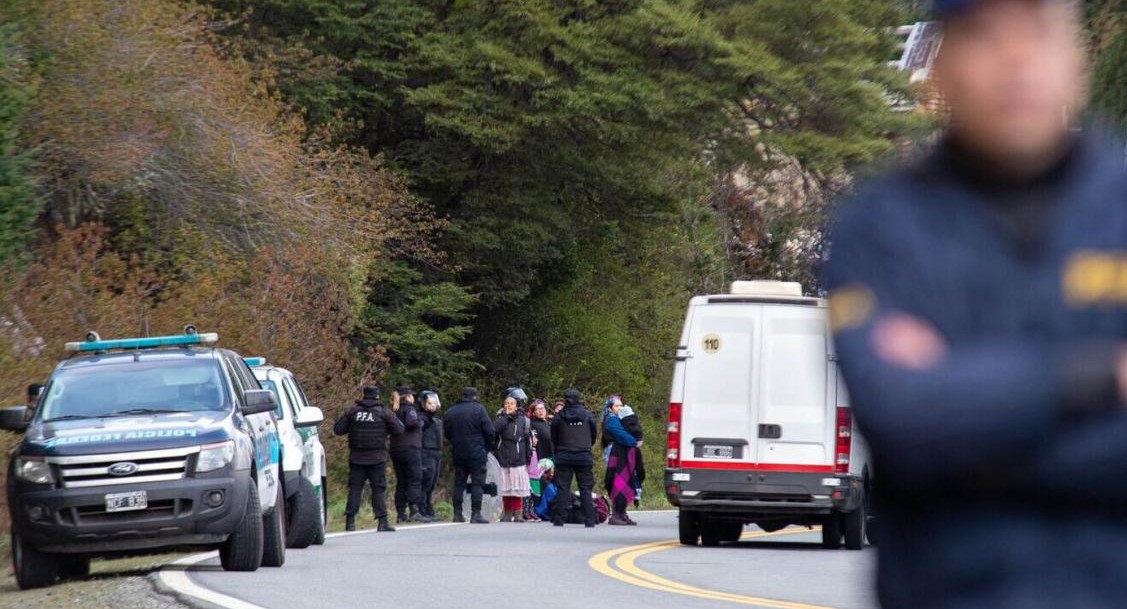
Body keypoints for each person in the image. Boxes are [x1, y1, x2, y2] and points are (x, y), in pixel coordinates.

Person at [822, 1, 1127, 607]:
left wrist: (967, 424)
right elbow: (903, 419)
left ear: (1078, 56)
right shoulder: (877, 231)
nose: (1016, 59)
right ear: (939, 66)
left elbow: (933, 425)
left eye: (1037, 32)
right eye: (985, 36)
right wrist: (1097, 377)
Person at [333, 386, 404, 532]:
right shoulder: (384, 412)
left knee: (355, 489)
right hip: (377, 458)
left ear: (364, 396)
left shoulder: (353, 411)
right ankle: (382, 522)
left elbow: (338, 429)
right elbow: (399, 429)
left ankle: (350, 521)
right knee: (378, 489)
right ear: (377, 396)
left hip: (356, 457)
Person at [444, 387, 496, 524]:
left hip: (458, 451)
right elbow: (490, 431)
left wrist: (456, 442)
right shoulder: (479, 410)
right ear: (475, 396)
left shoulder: (451, 411)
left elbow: (447, 432)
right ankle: (476, 513)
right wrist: (486, 448)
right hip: (477, 452)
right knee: (477, 483)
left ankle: (457, 513)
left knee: (459, 482)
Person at [549, 388, 597, 527]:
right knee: (585, 489)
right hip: (584, 455)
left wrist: (560, 449)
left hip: (564, 455)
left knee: (563, 487)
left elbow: (554, 436)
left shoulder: (559, 416)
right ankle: (590, 520)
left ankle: (559, 519)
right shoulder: (587, 415)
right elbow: (593, 435)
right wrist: (586, 447)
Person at [600, 397, 643, 525]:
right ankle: (616, 514)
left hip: (620, 453)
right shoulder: (611, 420)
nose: (620, 408)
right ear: (610, 408)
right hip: (613, 453)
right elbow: (622, 435)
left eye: (621, 406)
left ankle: (622, 513)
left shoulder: (619, 419)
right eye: (616, 406)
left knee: (624, 481)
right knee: (616, 481)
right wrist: (635, 442)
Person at [390, 386, 427, 523]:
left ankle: (401, 513)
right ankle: (414, 510)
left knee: (402, 481)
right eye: (412, 396)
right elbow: (411, 423)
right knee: (415, 479)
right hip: (410, 448)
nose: (413, 398)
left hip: (396, 448)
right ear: (408, 397)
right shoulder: (409, 409)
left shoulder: (394, 410)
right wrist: (420, 423)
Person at [493, 396, 532, 522]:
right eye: (506, 403)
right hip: (503, 456)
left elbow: (528, 440)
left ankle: (518, 513)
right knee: (506, 487)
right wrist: (506, 417)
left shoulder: (523, 420)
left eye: (511, 404)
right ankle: (507, 513)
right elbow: (494, 430)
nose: (509, 405)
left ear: (516, 406)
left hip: (518, 457)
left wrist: (528, 457)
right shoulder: (500, 418)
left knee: (517, 487)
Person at [418, 390, 444, 521]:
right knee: (426, 482)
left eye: (434, 403)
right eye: (430, 403)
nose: (433, 405)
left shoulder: (437, 420)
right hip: (426, 452)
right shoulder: (421, 419)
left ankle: (428, 508)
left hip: (436, 453)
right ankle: (422, 509)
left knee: (432, 483)